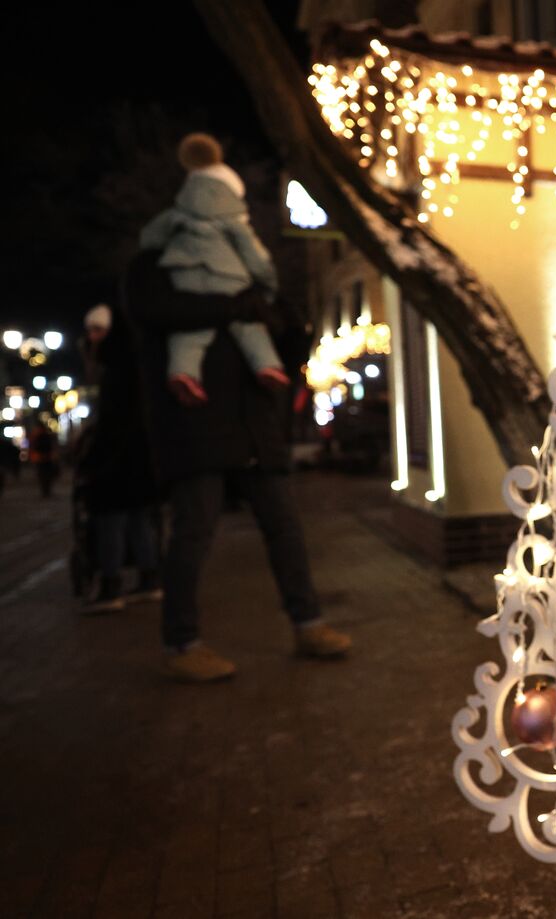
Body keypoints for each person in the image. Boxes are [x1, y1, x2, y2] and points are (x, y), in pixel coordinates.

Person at [125, 138, 349, 683]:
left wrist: (288, 328)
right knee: (194, 531)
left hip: (255, 422)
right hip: (196, 420)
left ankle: (308, 623)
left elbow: (284, 348)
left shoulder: (250, 270)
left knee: (285, 527)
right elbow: (152, 311)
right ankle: (182, 643)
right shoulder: (156, 259)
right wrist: (232, 305)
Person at [137, 133, 288, 406]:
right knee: (247, 324)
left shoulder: (179, 211)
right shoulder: (233, 219)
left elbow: (150, 236)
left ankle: (183, 373)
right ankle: (267, 366)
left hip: (183, 271)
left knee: (190, 330)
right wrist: (268, 284)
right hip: (227, 275)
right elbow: (254, 255)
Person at [74, 303, 163, 614]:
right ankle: (149, 578)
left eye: (97, 331)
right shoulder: (135, 365)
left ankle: (111, 584)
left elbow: (113, 422)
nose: (92, 337)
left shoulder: (115, 370)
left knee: (110, 520)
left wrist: (93, 461)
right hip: (138, 458)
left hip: (117, 460)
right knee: (138, 519)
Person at [28, 418, 59, 497]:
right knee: (45, 475)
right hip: (44, 458)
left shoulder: (39, 435)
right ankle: (46, 490)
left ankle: (46, 490)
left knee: (44, 475)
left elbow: (34, 446)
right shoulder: (43, 435)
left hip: (42, 458)